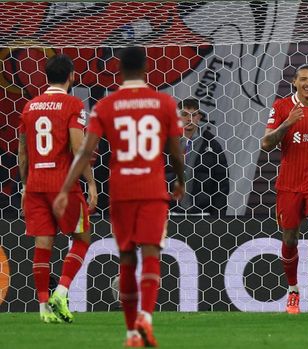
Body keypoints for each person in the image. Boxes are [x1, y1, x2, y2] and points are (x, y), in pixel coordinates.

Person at [53, 47, 185, 347]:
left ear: (120, 70)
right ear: (146, 68)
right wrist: (179, 181)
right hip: (152, 189)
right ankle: (146, 319)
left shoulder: (105, 106)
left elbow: (85, 151)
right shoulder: (164, 102)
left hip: (121, 191)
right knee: (151, 253)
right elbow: (175, 150)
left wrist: (65, 190)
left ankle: (130, 335)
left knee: (126, 258)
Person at [17, 54, 97, 324]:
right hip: (64, 185)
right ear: (72, 76)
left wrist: (26, 185)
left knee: (43, 245)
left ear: (45, 77)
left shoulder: (30, 106)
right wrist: (91, 183)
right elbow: (78, 149)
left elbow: (23, 152)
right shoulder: (73, 104)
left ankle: (43, 308)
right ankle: (61, 292)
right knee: (83, 238)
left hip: (36, 184)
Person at [261, 64, 308, 314]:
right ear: (294, 82)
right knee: (289, 238)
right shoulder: (282, 107)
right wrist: (287, 123)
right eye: (304, 79)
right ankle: (293, 291)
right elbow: (266, 144)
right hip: (290, 183)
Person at [169, 98, 229, 216]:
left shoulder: (211, 145)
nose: (189, 119)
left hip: (202, 213)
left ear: (199, 117)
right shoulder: (167, 144)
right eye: (184, 114)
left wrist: (218, 217)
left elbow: (222, 183)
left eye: (193, 114)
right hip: (172, 213)